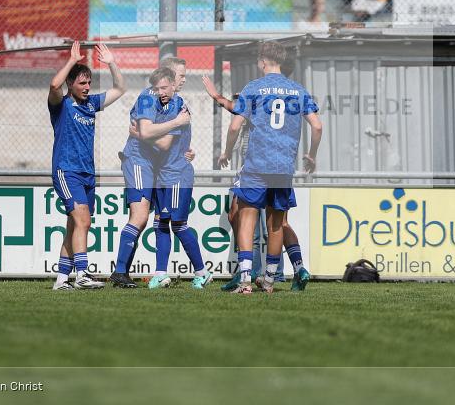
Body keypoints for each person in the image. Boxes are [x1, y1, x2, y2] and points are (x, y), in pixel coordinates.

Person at [215, 41, 322, 294]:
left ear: (263, 61)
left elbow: (234, 126)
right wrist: (311, 154)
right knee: (276, 223)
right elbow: (317, 126)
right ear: (282, 61)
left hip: (256, 164)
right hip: (283, 166)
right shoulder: (297, 90)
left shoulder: (254, 87)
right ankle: (270, 280)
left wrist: (227, 151)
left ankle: (244, 281)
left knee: (247, 218)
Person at [49, 41, 126, 290]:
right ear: (70, 84)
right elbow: (53, 85)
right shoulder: (61, 105)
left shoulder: (91, 104)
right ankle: (82, 273)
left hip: (87, 174)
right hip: (66, 170)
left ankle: (61, 280)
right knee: (83, 221)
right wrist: (72, 61)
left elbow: (120, 88)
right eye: (82, 83)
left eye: (89, 83)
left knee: (74, 225)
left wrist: (112, 62)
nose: (87, 87)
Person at [110, 66, 191, 288]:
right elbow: (147, 132)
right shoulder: (148, 97)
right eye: (180, 74)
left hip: (155, 165)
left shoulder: (176, 103)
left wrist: (185, 150)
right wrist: (172, 125)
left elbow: (163, 142)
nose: (182, 79)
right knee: (139, 216)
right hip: (139, 161)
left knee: (149, 220)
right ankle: (119, 272)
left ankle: (126, 273)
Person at [145, 70, 213, 290]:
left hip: (176, 175)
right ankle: (161, 273)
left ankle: (202, 273)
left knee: (179, 225)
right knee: (160, 224)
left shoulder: (177, 107)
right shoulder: (162, 107)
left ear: (174, 86)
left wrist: (141, 136)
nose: (161, 92)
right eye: (157, 89)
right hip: (164, 175)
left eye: (164, 87)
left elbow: (163, 144)